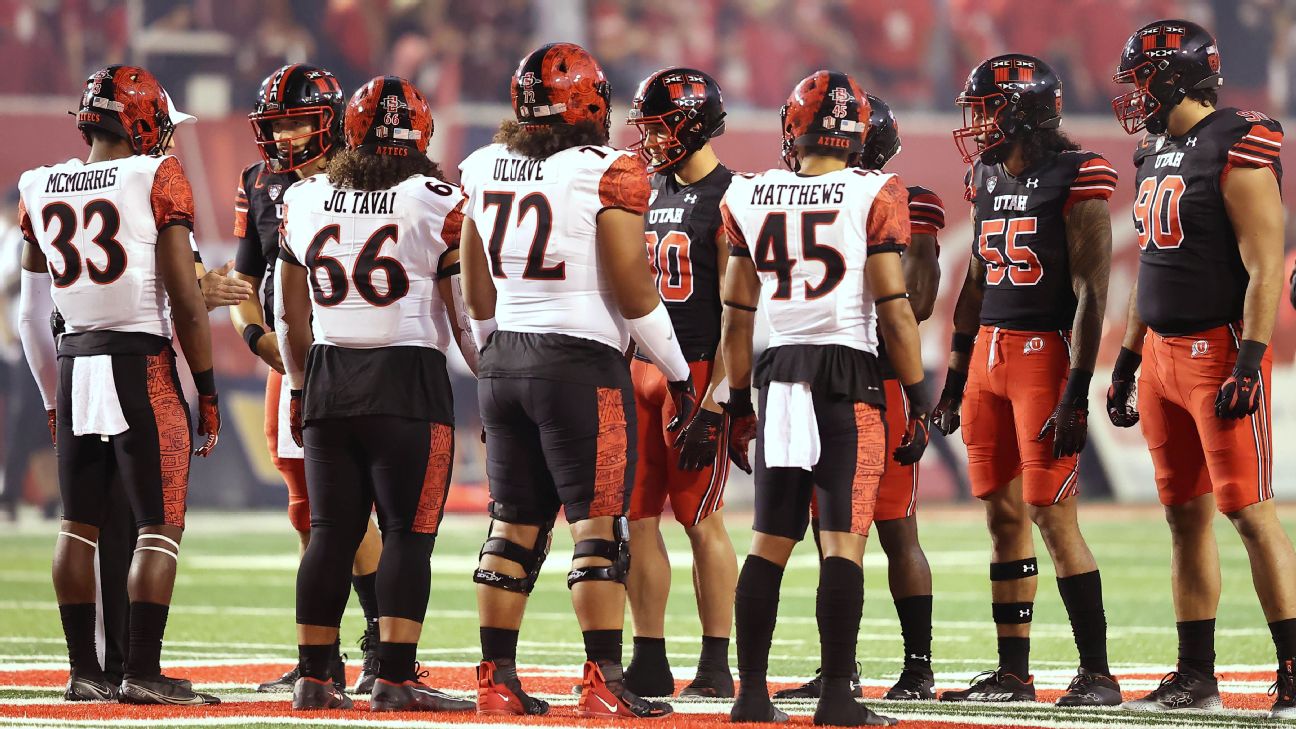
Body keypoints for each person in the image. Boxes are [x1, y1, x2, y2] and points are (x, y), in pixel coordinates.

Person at [459, 42, 697, 720]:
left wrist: (492, 359)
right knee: (599, 530)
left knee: (512, 527)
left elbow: (476, 289)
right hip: (578, 364)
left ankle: (496, 682)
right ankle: (602, 680)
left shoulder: (481, 165)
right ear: (590, 105)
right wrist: (679, 373)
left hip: (503, 357)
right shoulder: (610, 170)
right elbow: (632, 288)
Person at [719, 70, 930, 727]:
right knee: (841, 542)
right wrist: (919, 397)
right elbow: (895, 311)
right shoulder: (875, 189)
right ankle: (838, 696)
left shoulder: (749, 193)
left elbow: (735, 316)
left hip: (778, 374)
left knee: (769, 541)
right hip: (847, 374)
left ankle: (750, 694)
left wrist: (734, 401)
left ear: (794, 127)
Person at [16, 64, 222, 705]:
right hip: (140, 362)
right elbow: (187, 303)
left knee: (77, 524)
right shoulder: (154, 174)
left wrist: (52, 397)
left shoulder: (39, 185)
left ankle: (85, 671)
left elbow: (28, 316)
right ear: (140, 121)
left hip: (75, 361)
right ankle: (142, 669)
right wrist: (207, 389)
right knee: (158, 528)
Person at [1108, 20, 1296, 718]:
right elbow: (1150, 271)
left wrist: (1249, 359)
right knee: (1183, 520)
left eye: (1140, 79)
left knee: (1249, 512)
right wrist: (1127, 361)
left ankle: (1295, 671)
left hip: (1218, 350)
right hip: (1159, 352)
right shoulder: (1154, 149)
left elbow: (1265, 262)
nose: (1133, 94)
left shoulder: (1237, 139)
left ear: (1174, 75)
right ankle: (1196, 676)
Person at [275, 74, 475, 714]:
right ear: (421, 135)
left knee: (331, 532)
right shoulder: (436, 198)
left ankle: (315, 676)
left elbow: (289, 312)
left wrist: (302, 383)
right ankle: (393, 675)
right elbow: (463, 308)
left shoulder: (304, 198)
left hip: (330, 374)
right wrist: (488, 369)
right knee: (407, 535)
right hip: (407, 379)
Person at [932, 54, 1119, 706]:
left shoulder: (1075, 175)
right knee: (1002, 514)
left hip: (1043, 356)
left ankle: (1098, 672)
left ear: (1021, 111)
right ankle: (1014, 674)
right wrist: (955, 379)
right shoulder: (983, 173)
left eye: (987, 108)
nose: (977, 122)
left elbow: (1094, 291)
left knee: (1051, 513)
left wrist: (1079, 390)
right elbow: (977, 281)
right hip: (988, 354)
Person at [773, 93, 944, 703]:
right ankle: (838, 670)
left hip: (881, 377)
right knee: (833, 531)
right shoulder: (820, 198)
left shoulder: (897, 199)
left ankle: (918, 667)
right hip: (828, 377)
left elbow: (916, 302)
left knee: (895, 528)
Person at [233, 62, 384, 695]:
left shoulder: (365, 176)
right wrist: (257, 337)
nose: (285, 138)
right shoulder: (261, 182)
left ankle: (383, 642)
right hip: (290, 362)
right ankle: (318, 654)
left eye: (297, 123)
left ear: (327, 124)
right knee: (308, 511)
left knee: (354, 513)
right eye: (277, 125)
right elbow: (246, 279)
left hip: (353, 357)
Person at [621, 66, 737, 700]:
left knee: (700, 517)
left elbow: (741, 309)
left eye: (663, 125)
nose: (652, 139)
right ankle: (650, 657)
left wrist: (719, 400)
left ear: (694, 124)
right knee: (638, 519)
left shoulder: (730, 196)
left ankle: (717, 661)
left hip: (694, 368)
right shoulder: (643, 188)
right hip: (636, 365)